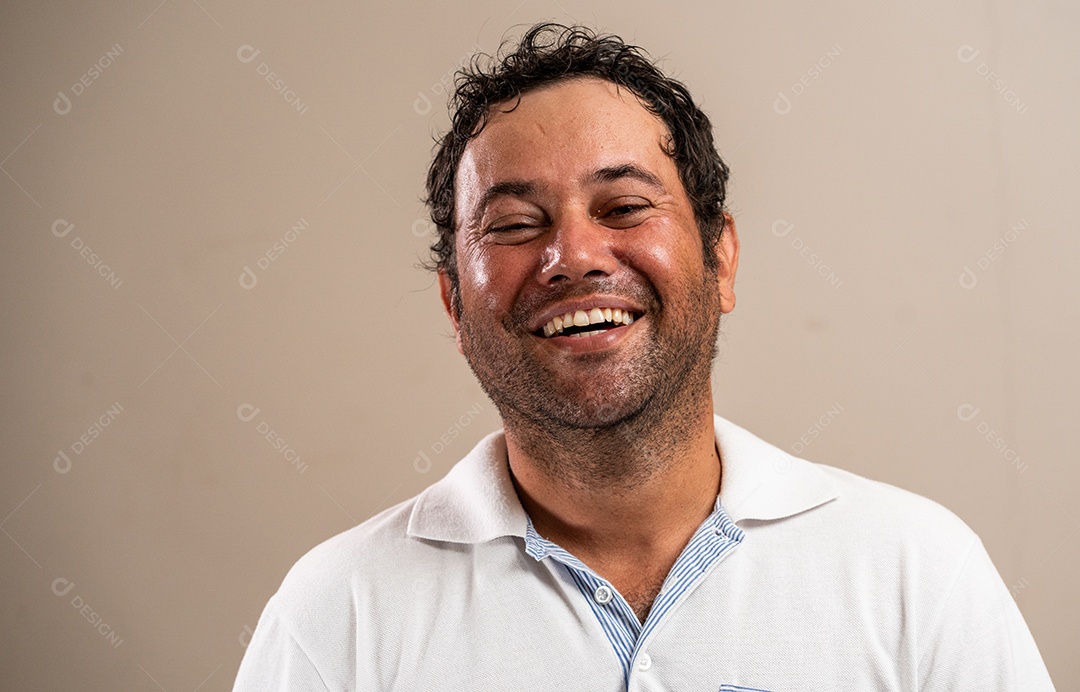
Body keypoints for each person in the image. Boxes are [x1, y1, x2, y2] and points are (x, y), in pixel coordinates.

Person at [234, 23, 1054, 691]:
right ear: (454, 303)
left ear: (720, 259)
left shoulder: (918, 572)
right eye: (516, 224)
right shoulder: (335, 617)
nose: (574, 256)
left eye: (623, 205)